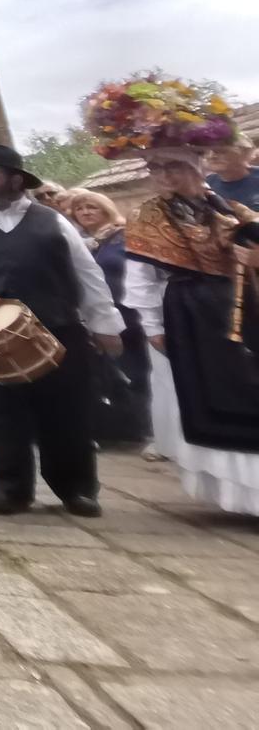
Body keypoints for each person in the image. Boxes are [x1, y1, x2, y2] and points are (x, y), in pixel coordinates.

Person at [0, 144, 124, 516]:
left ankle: (77, 488)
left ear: (16, 179)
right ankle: (10, 487)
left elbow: (87, 274)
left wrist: (104, 324)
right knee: (1, 411)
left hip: (57, 327)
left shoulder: (52, 220)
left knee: (66, 411)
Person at [124, 143, 259, 514]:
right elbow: (140, 279)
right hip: (190, 310)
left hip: (242, 302)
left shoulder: (228, 207)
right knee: (220, 392)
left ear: (196, 166)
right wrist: (152, 325)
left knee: (250, 387)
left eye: (173, 167)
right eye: (155, 169)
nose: (164, 176)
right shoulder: (148, 215)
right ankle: (239, 493)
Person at [63, 187, 152, 447]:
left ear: (107, 209)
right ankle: (138, 428)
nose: (85, 212)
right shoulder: (87, 243)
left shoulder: (123, 235)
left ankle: (156, 430)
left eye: (92, 207)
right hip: (105, 315)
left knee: (141, 371)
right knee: (122, 373)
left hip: (132, 313)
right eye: (79, 208)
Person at [206, 134, 259, 214]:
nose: (213, 156)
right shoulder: (206, 184)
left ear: (245, 153)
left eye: (221, 151)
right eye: (208, 151)